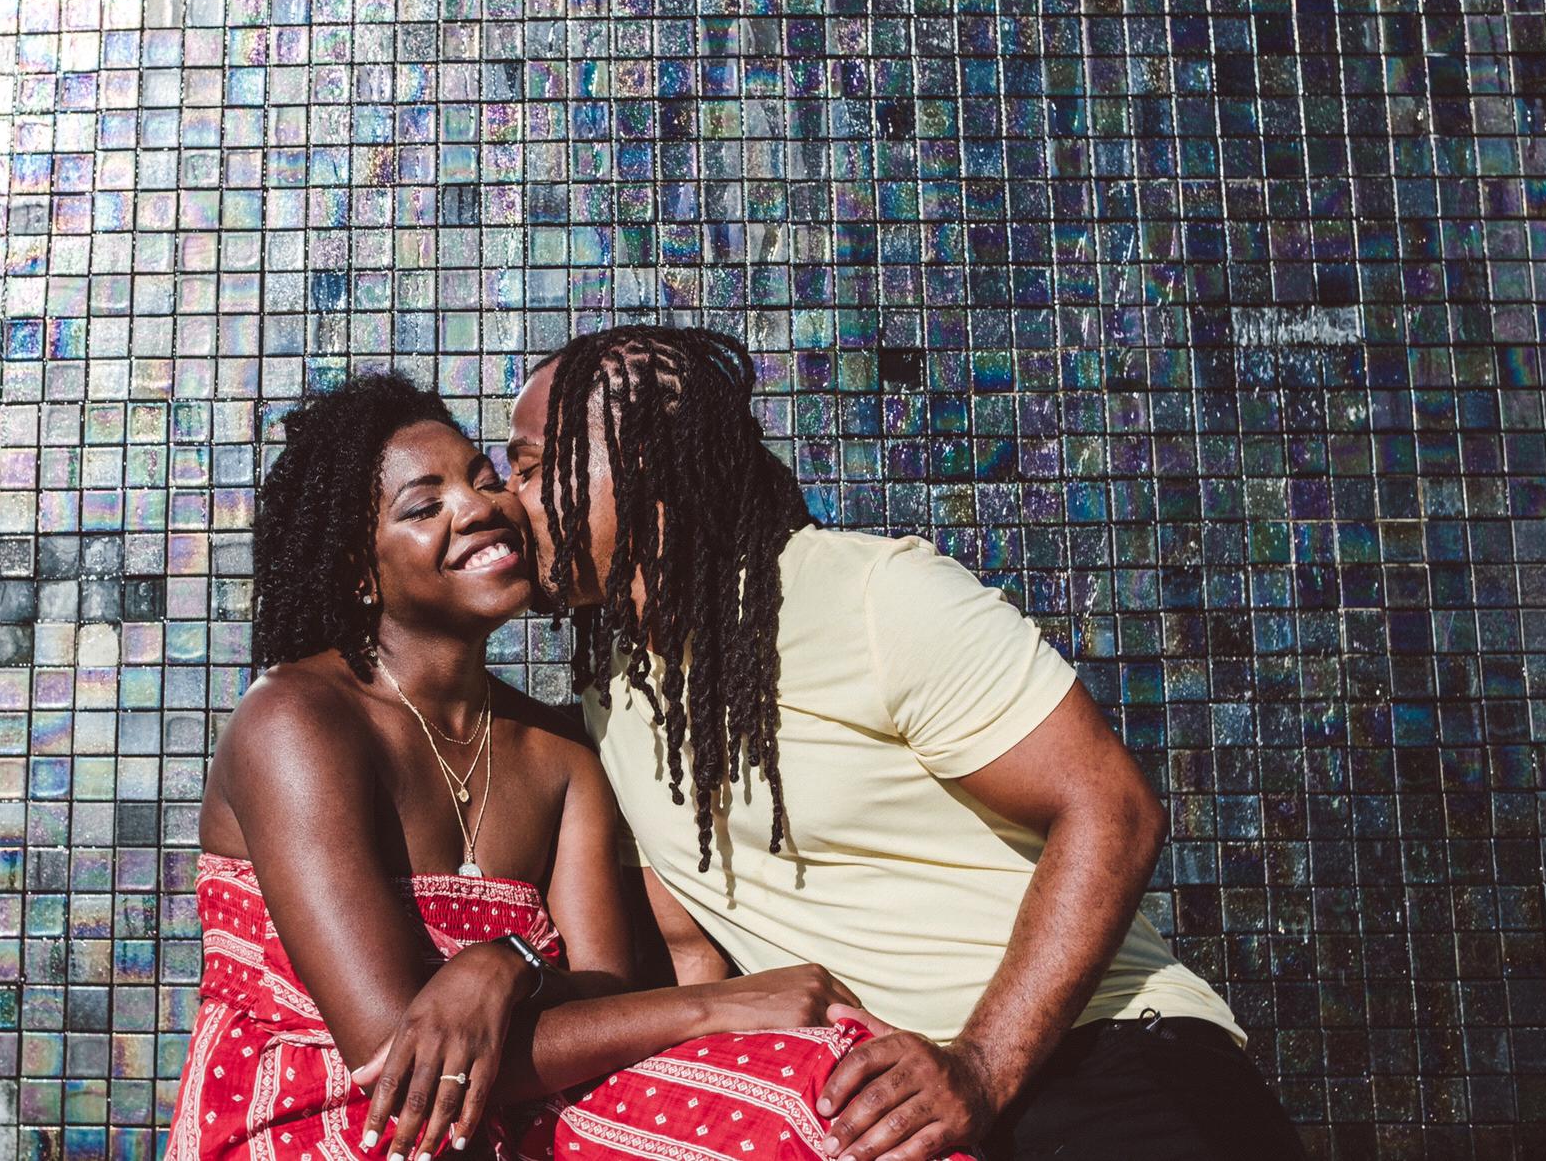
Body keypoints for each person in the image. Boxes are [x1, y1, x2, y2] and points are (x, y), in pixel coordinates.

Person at [503, 326, 1308, 1161]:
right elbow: (693, 955)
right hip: (885, 1113)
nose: (507, 501)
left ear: (644, 465)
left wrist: (981, 1067)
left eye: (529, 468)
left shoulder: (872, 594)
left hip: (1100, 1058)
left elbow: (1113, 809)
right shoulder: (613, 699)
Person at [164, 373, 974, 1161]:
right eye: (425, 505)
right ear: (356, 569)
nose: (480, 507)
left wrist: (505, 964)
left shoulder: (558, 752)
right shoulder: (297, 720)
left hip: (520, 1109)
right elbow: (400, 1059)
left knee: (829, 1086)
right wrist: (717, 1006)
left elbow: (606, 993)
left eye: (486, 479)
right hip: (324, 1118)